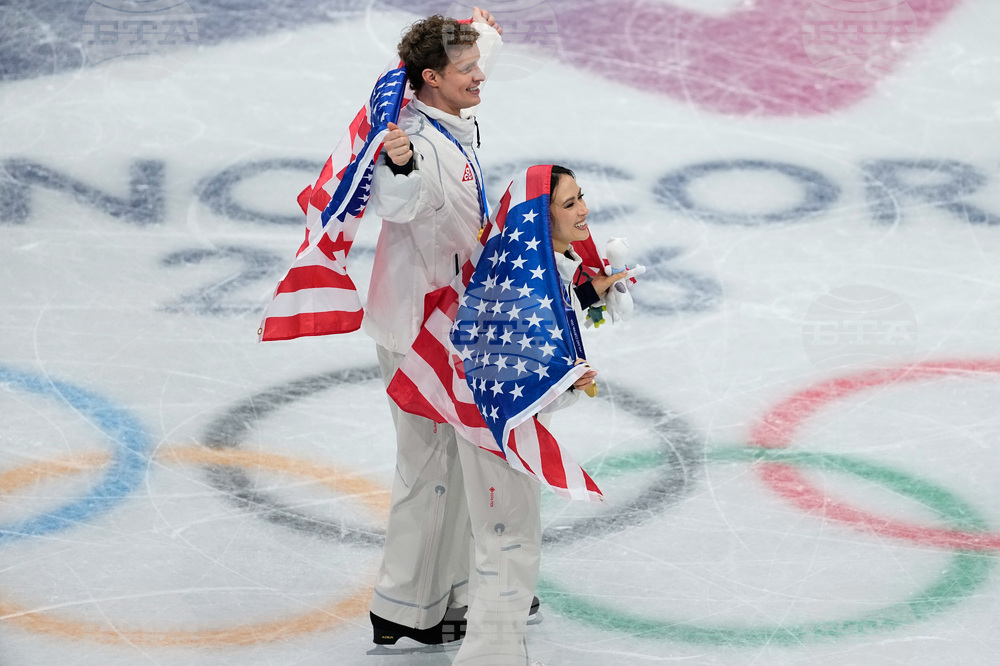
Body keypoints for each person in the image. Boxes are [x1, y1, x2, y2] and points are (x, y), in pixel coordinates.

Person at [364, 7, 505, 652]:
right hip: (416, 327)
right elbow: (399, 200)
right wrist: (393, 166)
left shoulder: (448, 110)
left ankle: (449, 596)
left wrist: (482, 31)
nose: (481, 77)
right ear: (431, 78)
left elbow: (477, 57)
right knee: (426, 467)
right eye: (468, 70)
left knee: (460, 458)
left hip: (452, 322)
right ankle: (401, 606)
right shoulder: (415, 146)